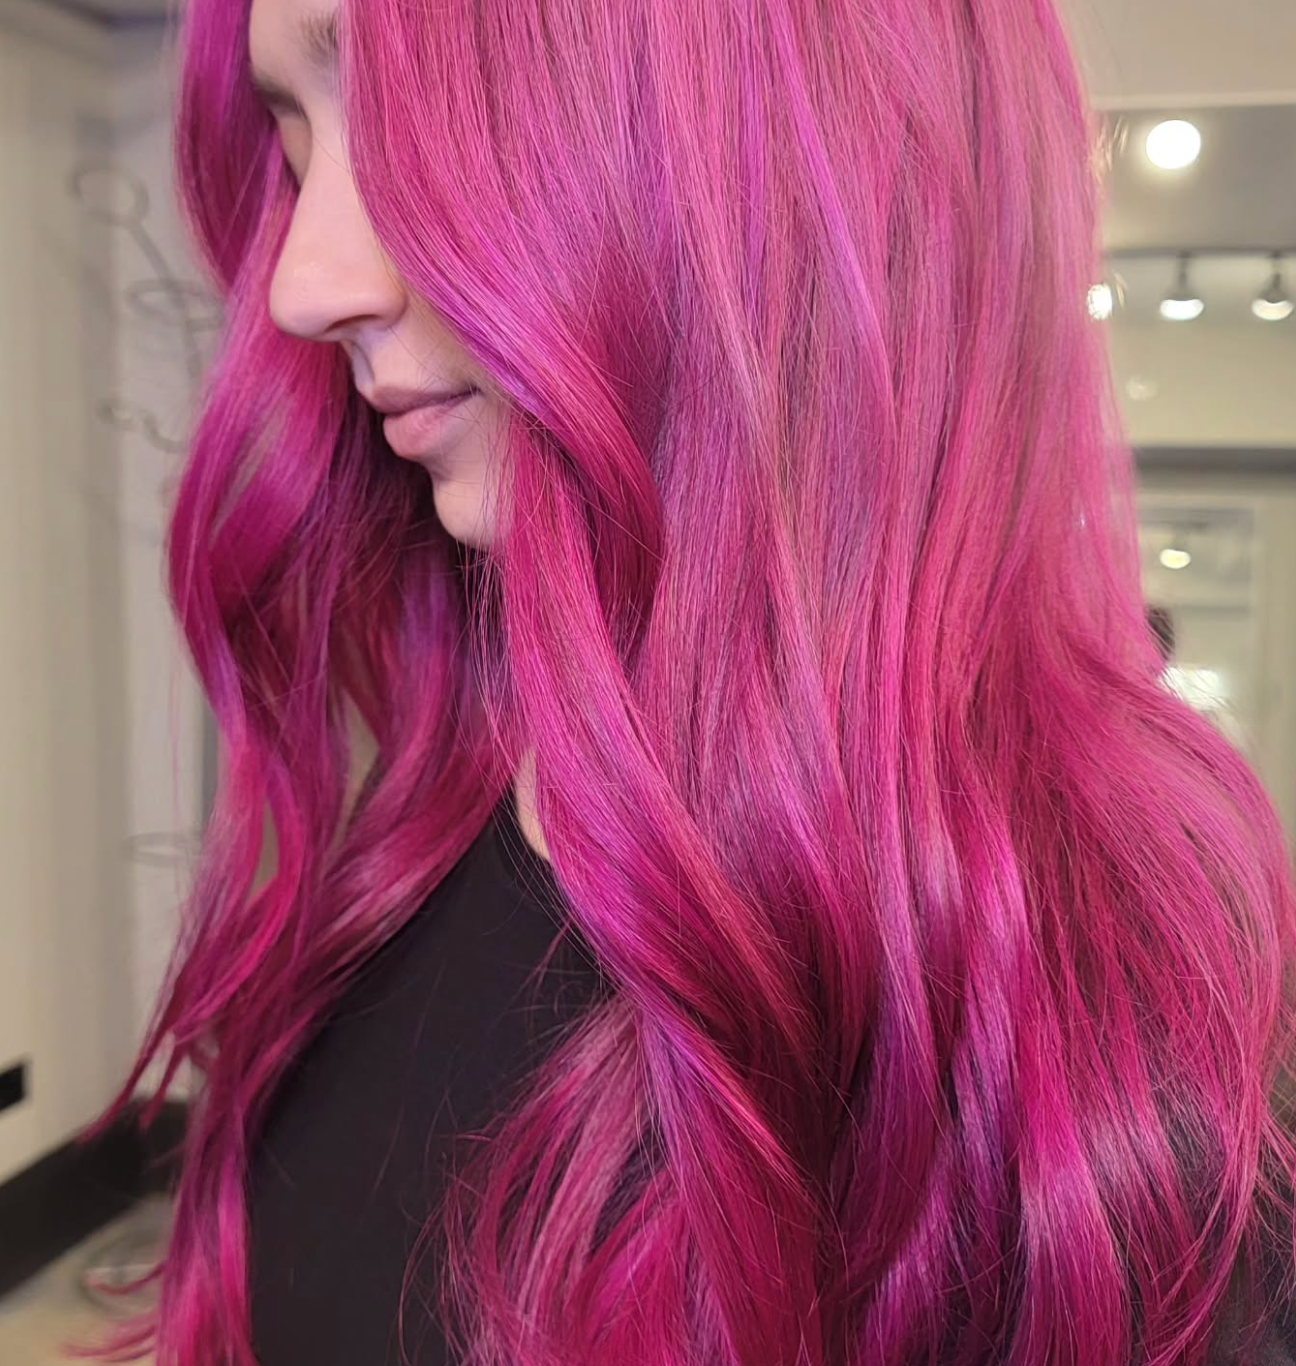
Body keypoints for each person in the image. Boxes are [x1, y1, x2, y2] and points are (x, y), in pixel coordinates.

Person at [86, 0, 1296, 1362]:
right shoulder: (409, 852)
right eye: (300, 141)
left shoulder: (1153, 1085)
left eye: (410, 108)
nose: (304, 282)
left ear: (765, 131)